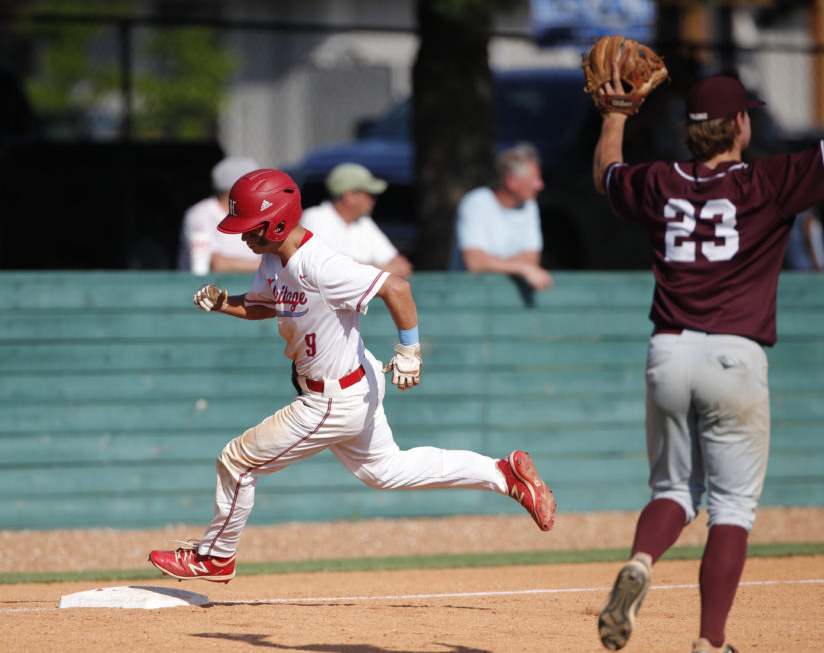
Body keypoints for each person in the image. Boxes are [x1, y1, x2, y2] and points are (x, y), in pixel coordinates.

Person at [590, 5, 824, 653]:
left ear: (687, 130)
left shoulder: (660, 183)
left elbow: (607, 177)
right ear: (742, 127)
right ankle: (709, 645)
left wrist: (615, 115)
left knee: (673, 491)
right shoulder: (765, 183)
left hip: (667, 350)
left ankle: (641, 561)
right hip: (734, 357)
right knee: (730, 505)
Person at [149, 169, 557, 583]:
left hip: (332, 399)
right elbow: (266, 304)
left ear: (277, 221)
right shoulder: (273, 258)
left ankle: (215, 557)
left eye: (249, 227)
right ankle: (503, 474)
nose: (242, 237)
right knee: (387, 472)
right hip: (351, 384)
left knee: (237, 461)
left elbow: (396, 288)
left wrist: (409, 351)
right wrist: (225, 303)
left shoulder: (321, 264)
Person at [452, 143, 553, 291]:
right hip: (467, 294)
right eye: (534, 178)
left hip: (506, 295)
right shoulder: (475, 203)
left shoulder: (530, 206)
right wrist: (522, 268)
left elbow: (532, 258)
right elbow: (475, 263)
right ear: (512, 182)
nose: (540, 185)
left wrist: (492, 264)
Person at [299, 163, 413, 277]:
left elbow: (401, 266)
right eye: (368, 194)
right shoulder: (314, 217)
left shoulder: (364, 222)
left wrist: (374, 270)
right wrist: (383, 269)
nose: (373, 200)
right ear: (349, 196)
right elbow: (328, 267)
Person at [178, 156, 263, 275]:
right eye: (255, 186)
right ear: (237, 189)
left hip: (253, 289)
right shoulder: (199, 214)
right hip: (207, 290)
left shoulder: (261, 213)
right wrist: (268, 266)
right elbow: (217, 264)